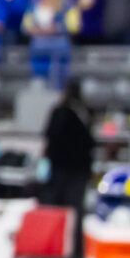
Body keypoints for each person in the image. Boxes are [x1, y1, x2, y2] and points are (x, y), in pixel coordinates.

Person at [41, 77, 95, 212]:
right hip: (76, 167)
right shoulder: (84, 112)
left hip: (63, 166)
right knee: (73, 205)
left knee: (57, 203)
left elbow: (49, 135)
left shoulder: (61, 111)